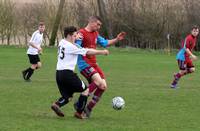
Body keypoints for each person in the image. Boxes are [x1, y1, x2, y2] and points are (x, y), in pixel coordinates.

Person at [51, 26, 109, 119]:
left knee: (68, 96)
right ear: (69, 36)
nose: (76, 37)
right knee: (85, 90)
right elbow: (88, 51)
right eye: (74, 36)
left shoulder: (62, 42)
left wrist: (75, 37)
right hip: (68, 74)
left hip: (58, 74)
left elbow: (73, 42)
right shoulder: (71, 47)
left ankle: (57, 104)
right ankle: (79, 112)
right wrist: (102, 52)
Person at [75, 16, 126, 117]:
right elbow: (77, 47)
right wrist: (87, 52)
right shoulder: (81, 33)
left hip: (94, 64)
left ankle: (88, 108)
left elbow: (105, 43)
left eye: (100, 25)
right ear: (91, 22)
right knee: (97, 82)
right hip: (84, 64)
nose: (99, 27)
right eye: (98, 24)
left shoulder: (95, 34)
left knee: (103, 86)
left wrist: (117, 39)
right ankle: (80, 102)